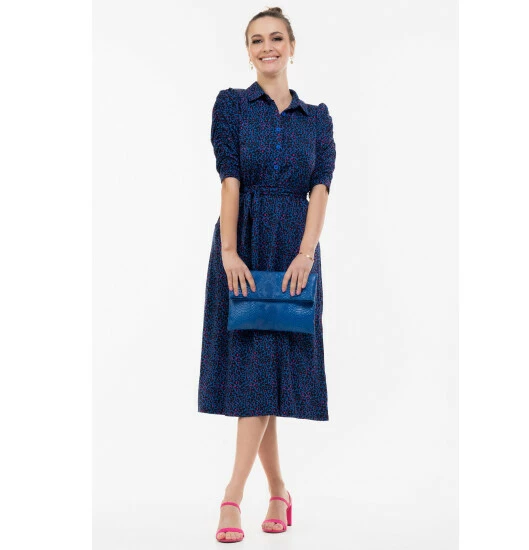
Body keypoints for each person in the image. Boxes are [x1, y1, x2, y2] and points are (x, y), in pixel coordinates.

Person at [197, 6, 336, 543]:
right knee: (255, 374)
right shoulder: (231, 106)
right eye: (257, 40)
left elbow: (320, 188)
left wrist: (306, 253)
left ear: (292, 46)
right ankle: (251, 494)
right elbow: (229, 180)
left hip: (295, 250)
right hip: (245, 246)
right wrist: (230, 251)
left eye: (277, 38)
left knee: (268, 375)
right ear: (248, 51)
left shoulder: (317, 117)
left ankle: (259, 493)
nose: (267, 47)